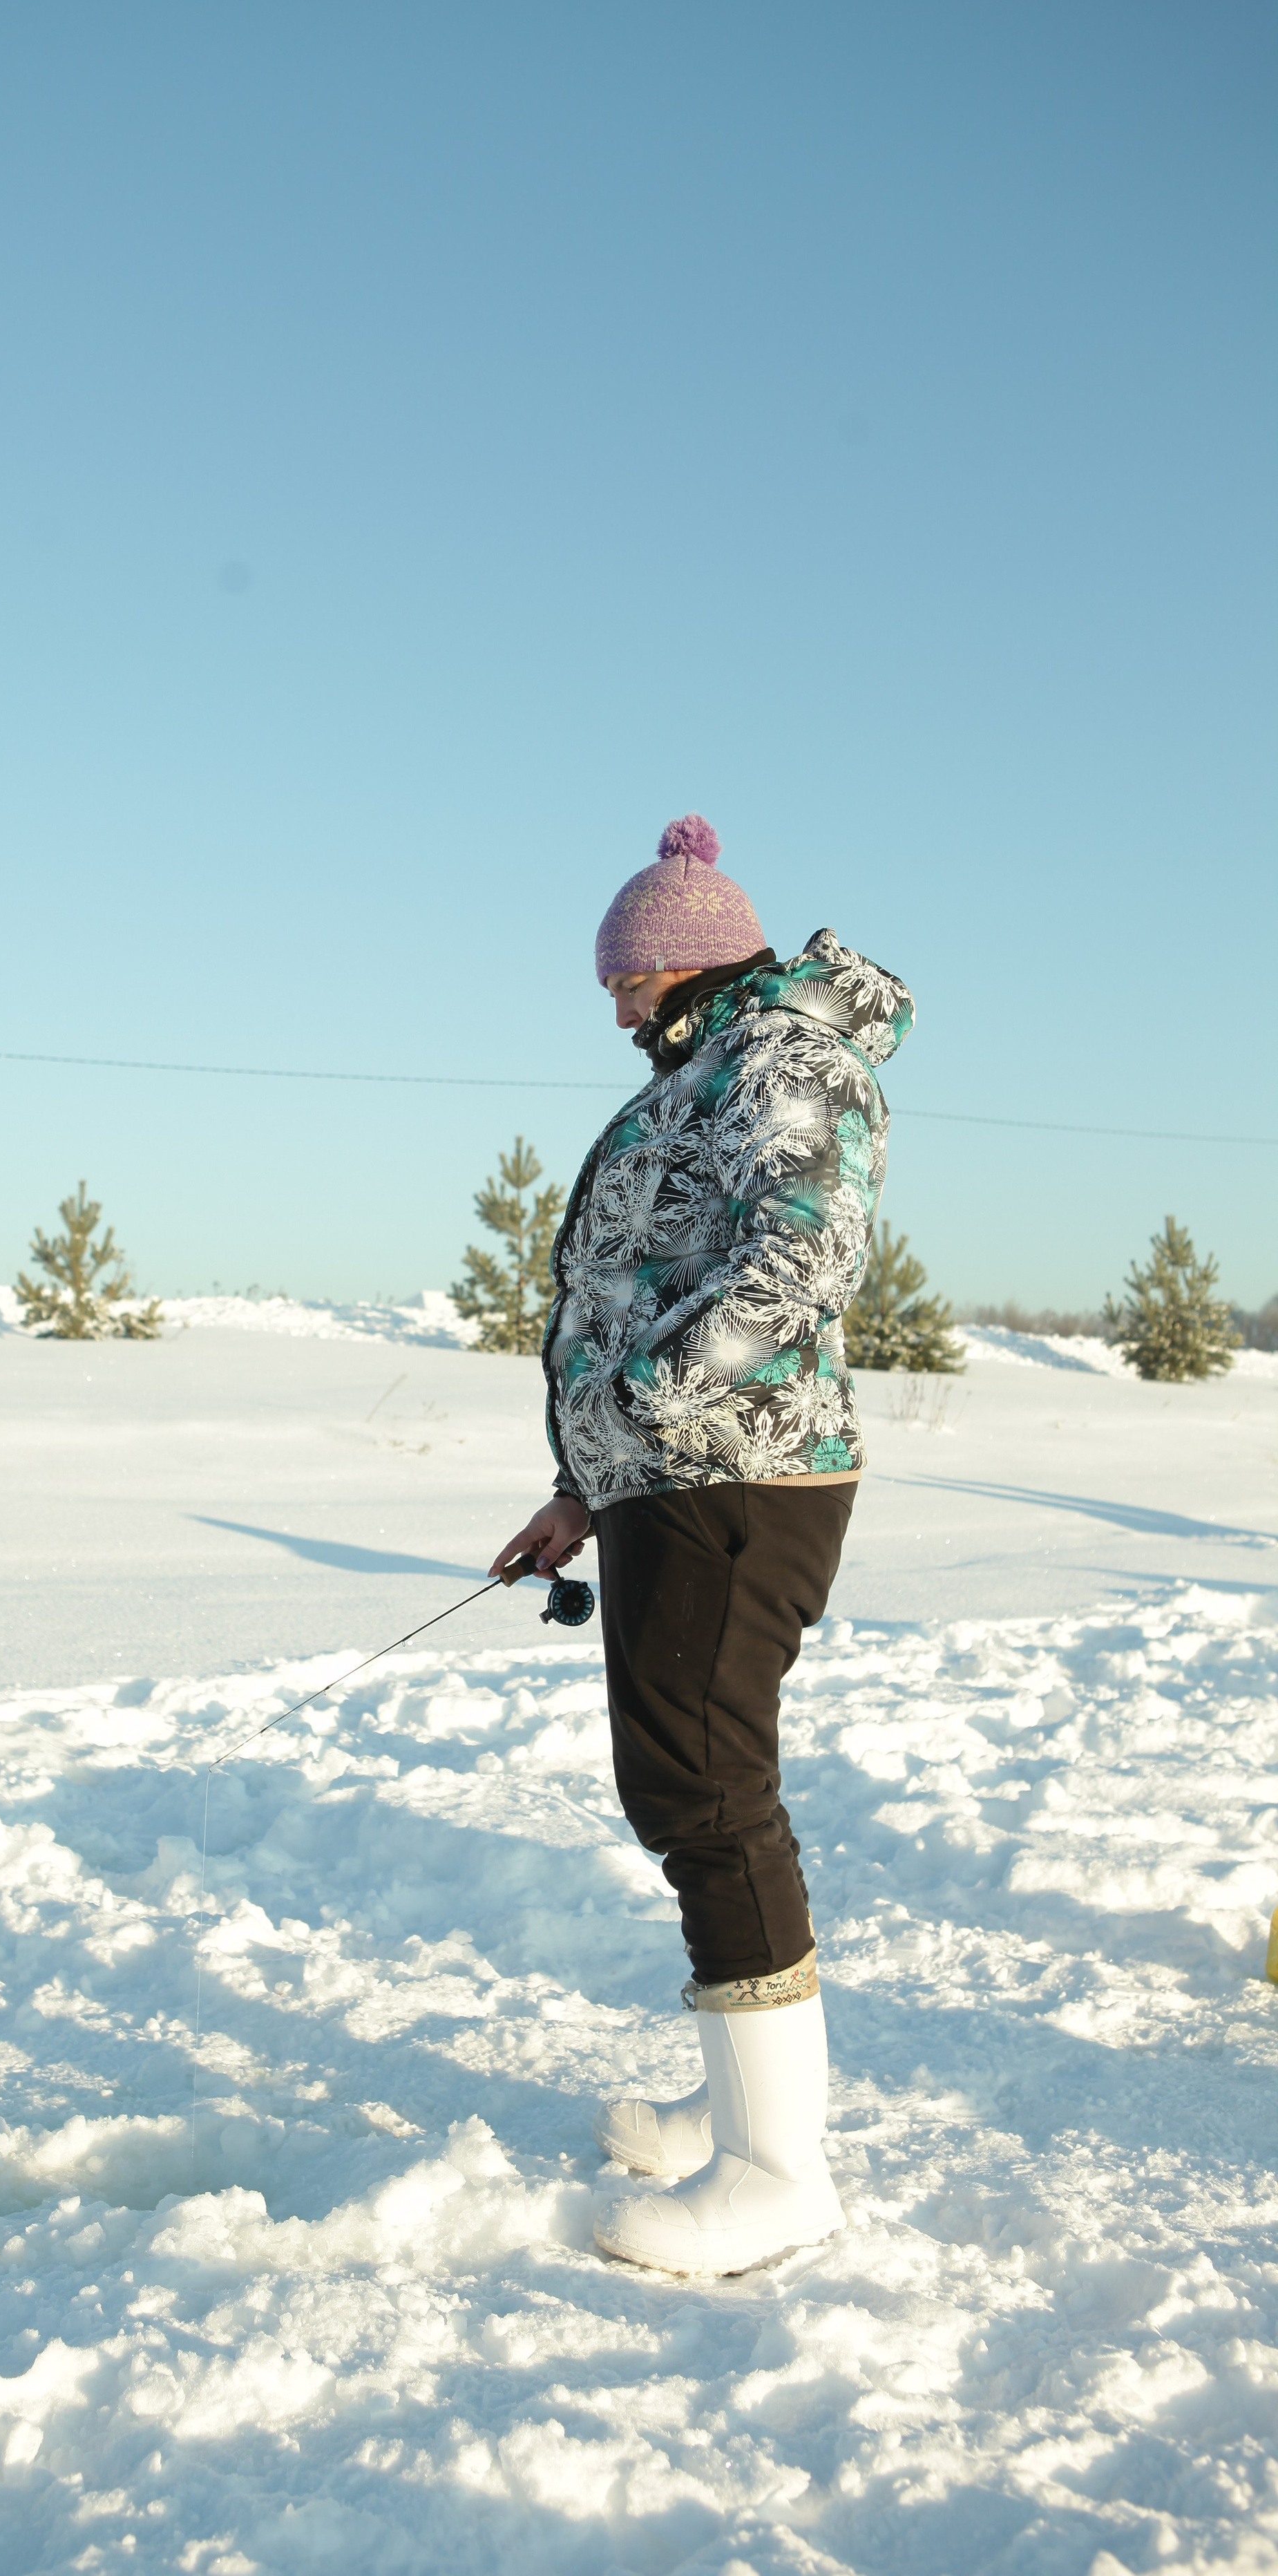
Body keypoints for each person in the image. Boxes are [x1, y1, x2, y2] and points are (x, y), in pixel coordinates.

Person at [490, 816, 913, 2277]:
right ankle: (735, 2099)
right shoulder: (714, 1067)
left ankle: (773, 2171)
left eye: (623, 978)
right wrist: (584, 1480)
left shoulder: (783, 1063)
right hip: (669, 1479)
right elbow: (642, 1283)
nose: (612, 1004)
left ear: (683, 961)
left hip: (737, 1475)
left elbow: (798, 1257)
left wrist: (643, 1408)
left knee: (705, 1789)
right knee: (688, 1783)